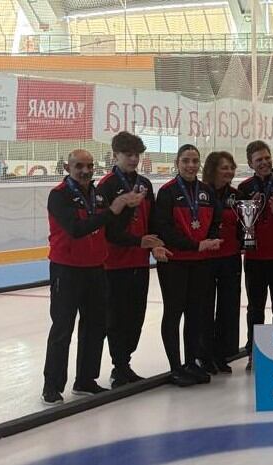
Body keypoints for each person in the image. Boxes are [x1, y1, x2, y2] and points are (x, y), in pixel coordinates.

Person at [42, 149, 142, 405]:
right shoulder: (59, 195)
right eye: (79, 166)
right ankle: (52, 386)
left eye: (89, 165)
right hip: (67, 269)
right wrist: (114, 209)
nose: (85, 171)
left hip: (96, 268)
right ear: (67, 167)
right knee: (63, 327)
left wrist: (127, 208)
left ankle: (86, 380)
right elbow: (76, 229)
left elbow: (108, 228)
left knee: (95, 326)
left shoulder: (96, 195)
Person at [97, 131, 169, 388]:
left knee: (136, 315)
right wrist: (137, 240)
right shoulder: (105, 186)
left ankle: (126, 361)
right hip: (115, 263)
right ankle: (119, 366)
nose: (133, 159)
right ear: (115, 155)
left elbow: (152, 221)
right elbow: (108, 229)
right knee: (117, 317)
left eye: (137, 155)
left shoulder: (145, 184)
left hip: (139, 262)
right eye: (128, 155)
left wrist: (155, 246)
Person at [154, 145, 223, 387]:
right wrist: (196, 245)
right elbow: (164, 229)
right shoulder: (167, 192)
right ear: (177, 163)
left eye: (195, 161)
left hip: (200, 263)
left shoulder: (206, 191)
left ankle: (190, 362)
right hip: (174, 263)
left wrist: (211, 239)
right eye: (186, 161)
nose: (191, 165)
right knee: (173, 314)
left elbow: (216, 219)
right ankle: (175, 367)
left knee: (195, 314)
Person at [237, 140, 273, 371]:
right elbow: (244, 227)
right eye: (259, 160)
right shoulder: (245, 188)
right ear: (250, 163)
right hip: (256, 259)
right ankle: (254, 352)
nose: (264, 163)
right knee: (255, 308)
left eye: (267, 158)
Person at [201, 151, 241, 375]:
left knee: (228, 307)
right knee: (204, 308)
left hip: (230, 257)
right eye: (224, 167)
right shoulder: (201, 193)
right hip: (206, 259)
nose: (229, 171)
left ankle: (222, 354)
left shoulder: (237, 195)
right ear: (213, 169)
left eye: (231, 167)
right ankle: (204, 355)